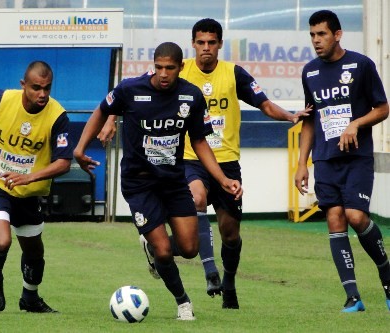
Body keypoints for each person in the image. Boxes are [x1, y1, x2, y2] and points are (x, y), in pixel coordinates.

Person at [100, 18, 310, 309]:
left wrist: (289, 115)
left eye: (212, 43)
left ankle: (228, 283)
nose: (206, 48)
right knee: (196, 197)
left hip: (225, 161)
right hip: (188, 159)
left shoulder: (233, 74)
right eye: (201, 42)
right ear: (193, 44)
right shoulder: (175, 68)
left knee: (230, 233)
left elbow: (263, 103)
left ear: (220, 44)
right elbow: (131, 93)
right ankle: (210, 273)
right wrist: (110, 120)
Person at [73, 42, 243, 320]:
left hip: (174, 181)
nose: (164, 73)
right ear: (154, 65)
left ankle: (152, 245)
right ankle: (183, 303)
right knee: (164, 251)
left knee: (190, 248)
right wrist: (80, 148)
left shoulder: (191, 96)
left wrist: (223, 179)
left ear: (181, 67)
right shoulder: (130, 90)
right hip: (139, 184)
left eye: (170, 68)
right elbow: (102, 110)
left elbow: (199, 140)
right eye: (159, 67)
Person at [0, 61, 73, 313]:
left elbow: (63, 163)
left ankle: (30, 299)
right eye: (36, 88)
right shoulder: (3, 99)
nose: (42, 94)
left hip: (28, 193)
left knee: (35, 254)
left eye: (47, 88)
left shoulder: (58, 117)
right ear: (23, 85)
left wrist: (29, 178)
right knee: (2, 241)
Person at [295, 10, 390, 313]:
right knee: (335, 219)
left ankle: (387, 278)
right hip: (325, 160)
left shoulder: (361, 65)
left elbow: (383, 108)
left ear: (337, 35)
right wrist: (301, 163)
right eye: (312, 35)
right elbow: (309, 122)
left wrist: (356, 124)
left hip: (356, 158)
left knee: (356, 216)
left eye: (321, 34)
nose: (316, 40)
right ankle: (353, 297)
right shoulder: (309, 72)